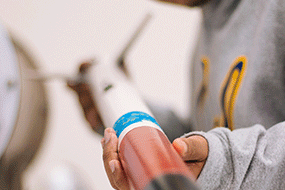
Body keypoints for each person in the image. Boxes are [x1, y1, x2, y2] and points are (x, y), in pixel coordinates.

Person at [69, 0, 285, 189]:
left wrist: (223, 165)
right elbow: (204, 135)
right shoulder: (208, 24)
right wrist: (120, 114)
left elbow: (218, 157)